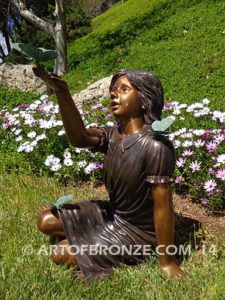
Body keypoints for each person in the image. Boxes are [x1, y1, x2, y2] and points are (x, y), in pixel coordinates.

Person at [33, 64, 186, 281]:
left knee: (60, 253)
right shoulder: (112, 135)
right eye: (113, 91)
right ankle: (91, 237)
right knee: (46, 221)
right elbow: (79, 139)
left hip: (139, 233)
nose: (114, 95)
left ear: (145, 100)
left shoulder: (156, 147)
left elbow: (164, 207)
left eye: (124, 90)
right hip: (112, 213)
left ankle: (97, 243)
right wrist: (62, 93)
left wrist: (167, 262)